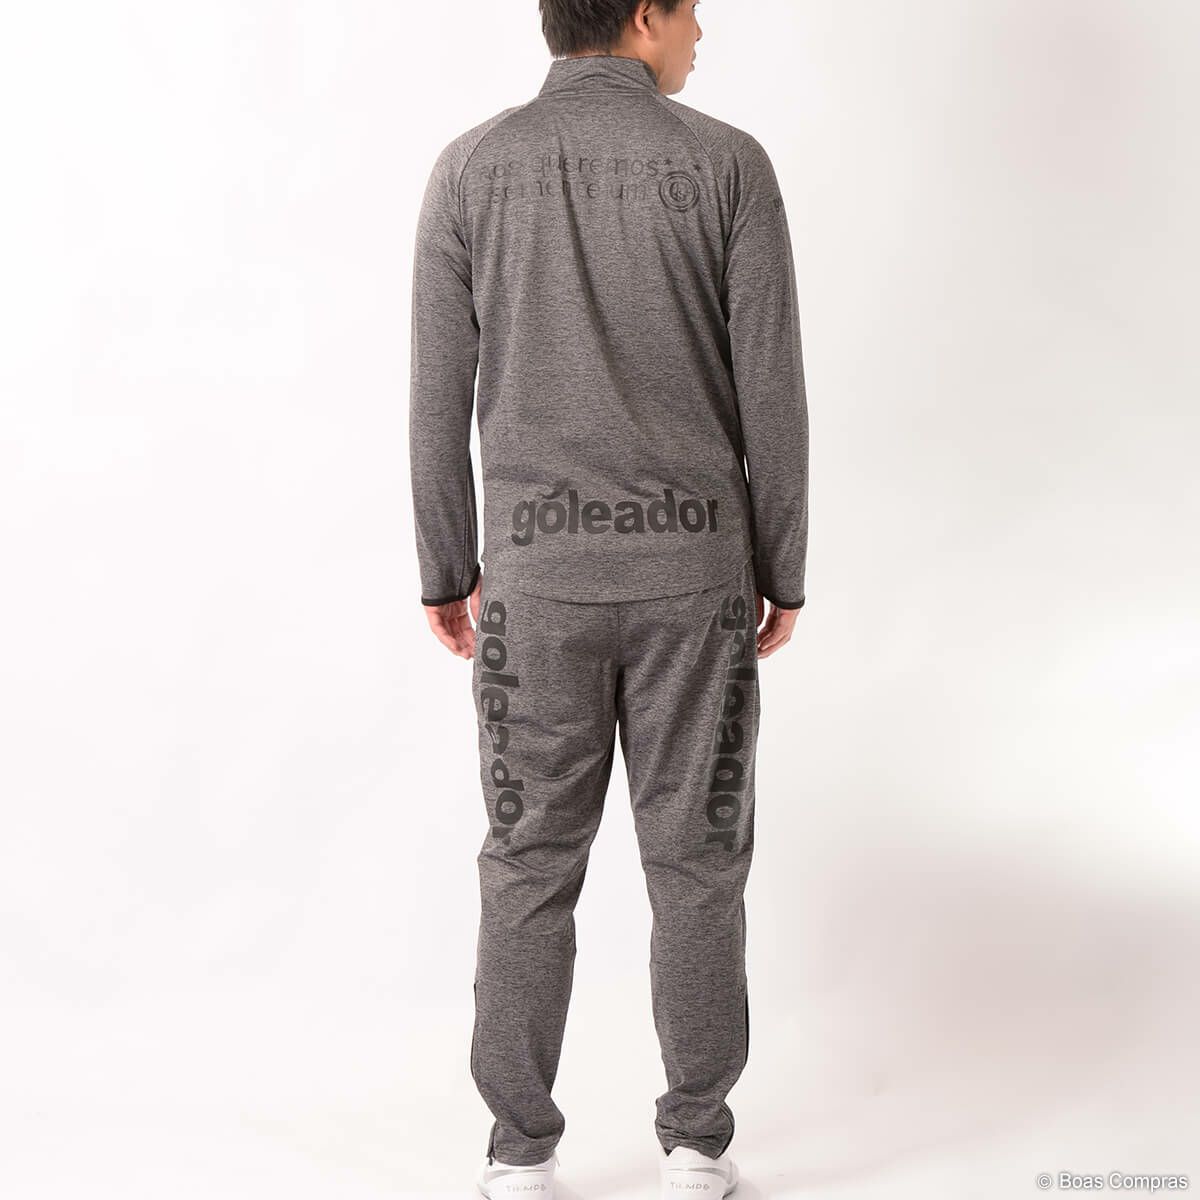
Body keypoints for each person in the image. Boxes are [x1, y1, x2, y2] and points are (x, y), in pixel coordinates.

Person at [408, 1, 809, 1195]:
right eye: (691, 9)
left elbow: (437, 396)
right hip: (697, 587)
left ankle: (519, 1154)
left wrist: (447, 567)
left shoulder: (470, 170)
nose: (702, 33)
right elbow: (772, 394)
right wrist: (780, 567)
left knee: (528, 863)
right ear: (643, 15)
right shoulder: (729, 166)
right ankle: (697, 1144)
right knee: (698, 866)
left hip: (535, 589)